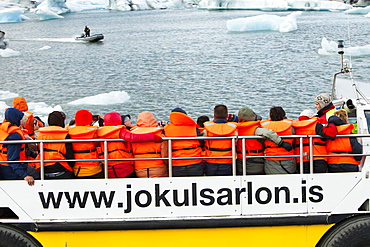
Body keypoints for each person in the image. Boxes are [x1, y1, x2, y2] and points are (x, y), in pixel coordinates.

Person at [97, 112, 162, 178]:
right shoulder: (119, 131)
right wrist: (153, 137)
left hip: (107, 166)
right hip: (123, 166)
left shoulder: (98, 132)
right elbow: (132, 137)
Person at [236, 107, 292, 175]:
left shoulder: (236, 129)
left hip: (240, 160)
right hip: (255, 161)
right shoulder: (256, 129)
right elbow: (268, 133)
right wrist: (281, 143)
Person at [0, 108, 39, 186]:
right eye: (21, 118)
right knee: (38, 173)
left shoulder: (4, 130)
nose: (22, 121)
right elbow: (12, 160)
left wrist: (36, 156)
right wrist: (24, 175)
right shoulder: (14, 136)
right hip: (10, 170)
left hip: (3, 166)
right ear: (17, 119)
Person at [163, 108, 203, 177]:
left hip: (176, 163)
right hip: (195, 162)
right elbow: (202, 143)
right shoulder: (194, 128)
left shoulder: (166, 129)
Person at [35, 111, 75, 179]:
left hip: (44, 170)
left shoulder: (40, 134)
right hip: (62, 170)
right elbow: (70, 158)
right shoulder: (65, 135)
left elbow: (39, 151)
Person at [130, 111, 168, 178]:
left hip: (139, 167)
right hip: (158, 167)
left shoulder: (132, 134)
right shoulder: (159, 133)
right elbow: (165, 153)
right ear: (153, 119)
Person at [203, 104, 237, 176]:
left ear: (214, 115)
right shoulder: (233, 128)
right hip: (228, 159)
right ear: (227, 115)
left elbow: (203, 140)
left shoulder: (207, 128)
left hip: (211, 160)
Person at [68, 109, 103, 178]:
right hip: (93, 168)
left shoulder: (68, 131)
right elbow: (98, 144)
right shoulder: (94, 131)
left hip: (76, 169)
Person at [260, 106, 296, 174]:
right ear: (283, 116)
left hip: (271, 157)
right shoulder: (290, 127)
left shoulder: (264, 127)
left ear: (270, 116)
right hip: (288, 157)